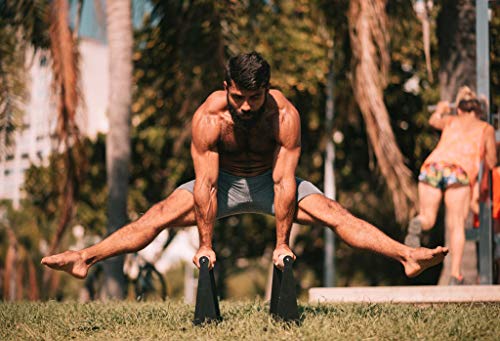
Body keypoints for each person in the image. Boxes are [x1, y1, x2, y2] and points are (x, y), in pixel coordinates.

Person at [42, 52, 447, 283]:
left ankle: (407, 255)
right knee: (159, 215)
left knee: (334, 212)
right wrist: (204, 244)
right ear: (226, 89)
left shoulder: (284, 115)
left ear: (266, 89)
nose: (247, 106)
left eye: (255, 97)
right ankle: (85, 258)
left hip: (272, 184)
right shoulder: (209, 118)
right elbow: (206, 184)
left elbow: (285, 181)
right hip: (223, 183)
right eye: (239, 97)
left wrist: (282, 242)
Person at [404, 86, 497, 285]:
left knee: (428, 217)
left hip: (433, 166)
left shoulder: (451, 121)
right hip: (459, 170)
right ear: (479, 111)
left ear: (460, 109)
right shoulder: (485, 128)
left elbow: (433, 121)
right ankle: (455, 275)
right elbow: (491, 162)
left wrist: (441, 108)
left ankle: (418, 224)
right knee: (456, 225)